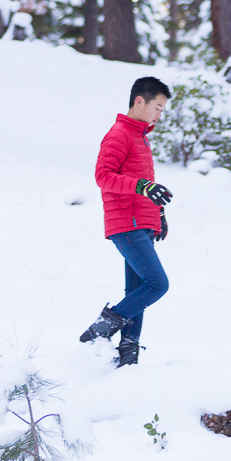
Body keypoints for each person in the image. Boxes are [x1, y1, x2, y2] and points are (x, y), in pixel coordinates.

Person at [79, 77, 174, 367]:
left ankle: (127, 354)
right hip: (126, 223)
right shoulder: (120, 133)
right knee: (157, 284)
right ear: (139, 101)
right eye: (157, 108)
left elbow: (141, 181)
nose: (159, 115)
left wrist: (157, 212)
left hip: (140, 222)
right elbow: (103, 176)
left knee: (137, 292)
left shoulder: (140, 136)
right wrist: (144, 189)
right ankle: (98, 332)